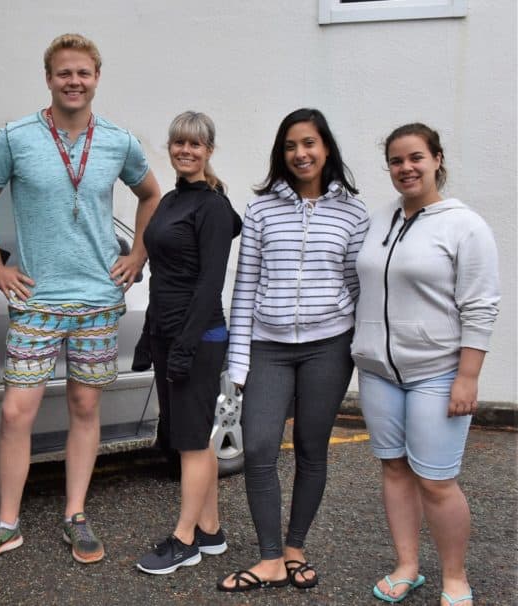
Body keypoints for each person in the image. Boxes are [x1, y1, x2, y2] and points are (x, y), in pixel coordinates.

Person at [0, 33, 161, 567]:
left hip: (97, 299)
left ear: (97, 78)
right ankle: (7, 524)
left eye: (83, 73)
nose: (74, 82)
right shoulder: (15, 137)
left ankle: (75, 513)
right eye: (64, 73)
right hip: (37, 300)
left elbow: (151, 195)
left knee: (84, 406)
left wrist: (137, 255)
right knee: (15, 411)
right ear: (48, 78)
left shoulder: (119, 141)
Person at [218, 108, 369, 592]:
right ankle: (269, 558)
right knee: (260, 446)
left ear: (326, 149)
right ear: (280, 154)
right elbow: (245, 287)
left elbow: (356, 286)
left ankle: (294, 548)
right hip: (268, 345)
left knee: (310, 447)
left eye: (309, 143)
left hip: (329, 347)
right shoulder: (261, 210)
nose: (300, 153)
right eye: (290, 146)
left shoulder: (353, 212)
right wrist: (238, 361)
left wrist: (358, 348)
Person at [353, 124, 498, 606]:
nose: (406, 168)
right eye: (396, 161)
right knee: (394, 468)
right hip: (378, 371)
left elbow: (480, 306)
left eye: (416, 157)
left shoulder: (465, 225)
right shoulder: (379, 219)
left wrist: (468, 377)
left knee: (436, 481)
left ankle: (455, 577)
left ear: (437, 159)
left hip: (437, 372)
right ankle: (407, 567)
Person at [133, 111, 241, 575]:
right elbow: (161, 276)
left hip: (198, 337)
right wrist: (149, 336)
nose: (185, 150)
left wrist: (184, 346)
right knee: (190, 436)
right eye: (179, 142)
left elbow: (209, 284)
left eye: (195, 144)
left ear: (208, 150)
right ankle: (210, 529)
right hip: (167, 332)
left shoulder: (212, 207)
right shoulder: (171, 200)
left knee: (191, 441)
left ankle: (184, 539)